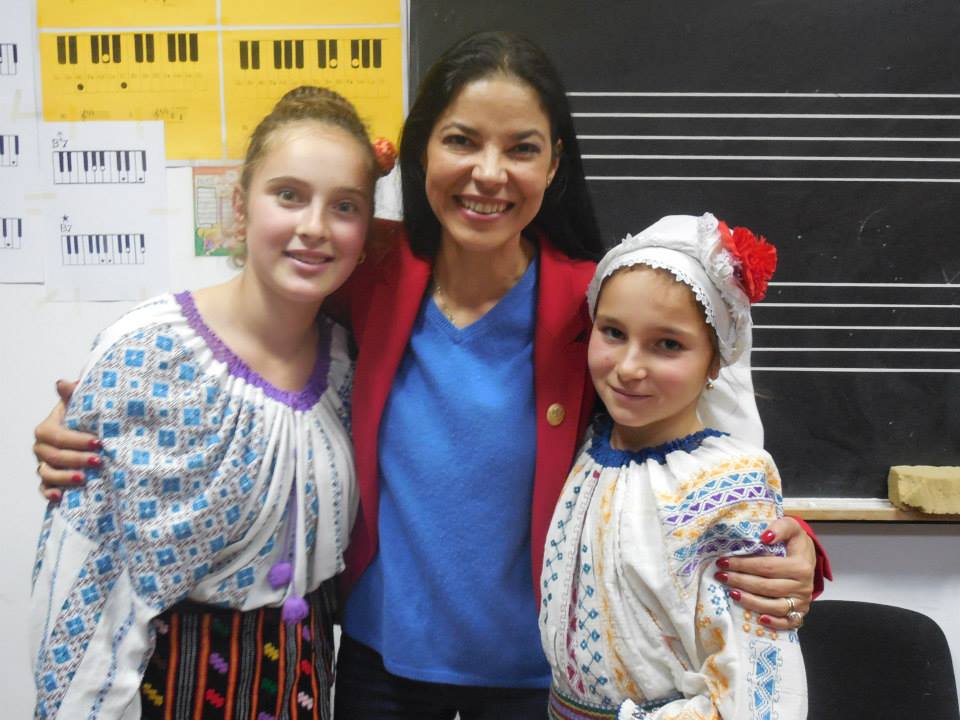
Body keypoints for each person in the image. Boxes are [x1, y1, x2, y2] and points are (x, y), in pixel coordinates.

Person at [32, 32, 828, 719]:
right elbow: (249, 332)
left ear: (554, 164)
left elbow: (703, 440)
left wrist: (792, 541)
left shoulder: (596, 305)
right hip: (378, 665)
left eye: (522, 148)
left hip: (537, 678)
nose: (489, 173)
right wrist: (97, 421)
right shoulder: (367, 270)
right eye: (461, 141)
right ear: (421, 151)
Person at [30, 85, 388, 719]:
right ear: (240, 206)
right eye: (288, 195)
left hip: (302, 681)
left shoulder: (351, 364)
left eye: (344, 206)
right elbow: (87, 588)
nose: (314, 227)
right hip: (167, 687)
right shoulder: (148, 356)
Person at [539, 213, 806, 719]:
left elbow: (756, 685)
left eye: (668, 345)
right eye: (613, 332)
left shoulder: (729, 484)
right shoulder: (586, 446)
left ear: (715, 361)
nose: (629, 367)